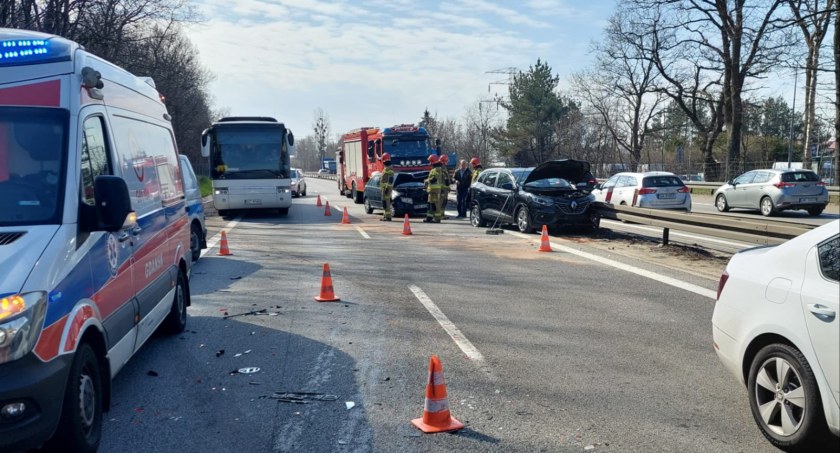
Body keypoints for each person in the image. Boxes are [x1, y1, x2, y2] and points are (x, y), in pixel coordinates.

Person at [423, 154, 445, 223]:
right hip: (432, 190)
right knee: (430, 204)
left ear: (433, 161)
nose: (429, 163)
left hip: (434, 191)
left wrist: (427, 180)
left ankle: (437, 219)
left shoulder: (437, 169)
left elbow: (434, 179)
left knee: (435, 205)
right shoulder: (435, 169)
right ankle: (429, 218)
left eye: (430, 161)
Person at [379, 153, 395, 221]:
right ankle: (386, 216)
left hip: (386, 189)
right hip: (385, 188)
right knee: (385, 202)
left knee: (386, 202)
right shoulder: (387, 168)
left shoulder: (389, 169)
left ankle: (388, 216)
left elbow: (390, 179)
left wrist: (386, 188)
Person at [439, 154, 452, 219]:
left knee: (444, 201)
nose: (447, 162)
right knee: (441, 202)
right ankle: (440, 215)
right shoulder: (440, 168)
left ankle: (442, 214)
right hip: (442, 188)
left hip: (445, 188)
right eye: (446, 161)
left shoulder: (444, 167)